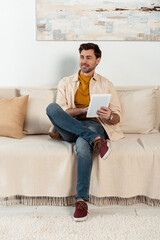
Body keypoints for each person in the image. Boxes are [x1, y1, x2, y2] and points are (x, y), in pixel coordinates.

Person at [46, 43, 124, 222]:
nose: (84, 61)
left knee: (82, 146)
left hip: (94, 125)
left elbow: (118, 117)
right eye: (82, 57)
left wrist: (110, 114)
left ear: (98, 60)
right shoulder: (65, 82)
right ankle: (97, 140)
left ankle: (81, 200)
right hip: (69, 126)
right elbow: (62, 112)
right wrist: (83, 110)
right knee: (51, 108)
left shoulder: (107, 84)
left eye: (88, 57)